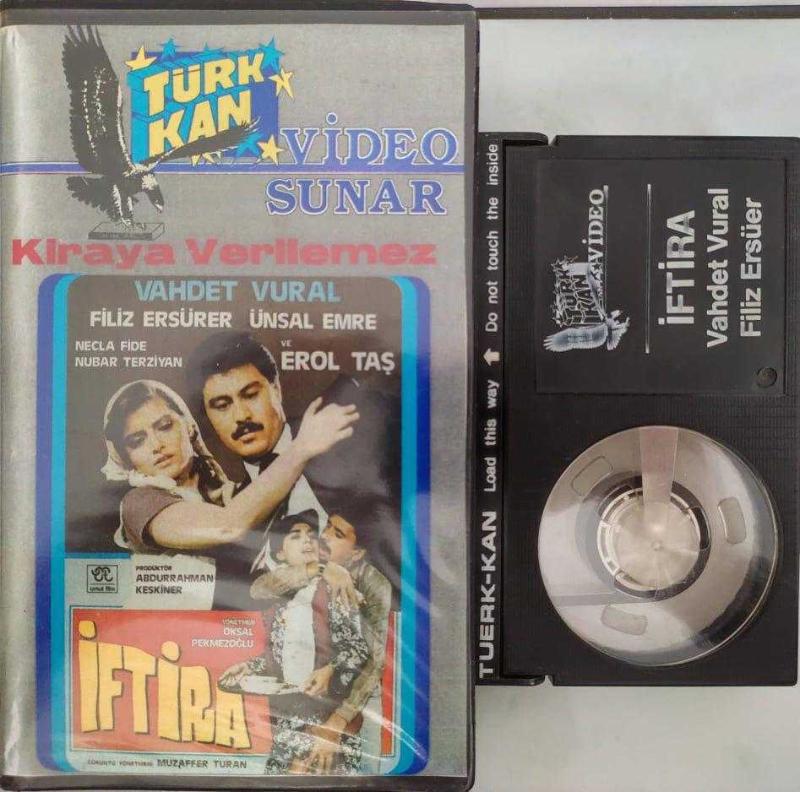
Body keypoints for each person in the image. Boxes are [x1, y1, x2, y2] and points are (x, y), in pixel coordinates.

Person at [102, 379, 358, 609]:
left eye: (165, 426)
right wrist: (301, 448)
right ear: (127, 458)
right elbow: (226, 526)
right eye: (137, 441)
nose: (156, 445)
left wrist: (321, 568)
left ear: (188, 426)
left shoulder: (231, 495)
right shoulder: (140, 502)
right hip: (165, 639)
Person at [219, 511, 370, 775]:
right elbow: (280, 653)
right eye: (295, 536)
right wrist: (249, 666)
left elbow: (359, 651)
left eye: (311, 535)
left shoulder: (336, 588)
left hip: (327, 720)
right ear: (280, 554)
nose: (307, 540)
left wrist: (331, 669)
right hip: (286, 721)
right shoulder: (278, 600)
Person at [249, 501, 393, 773]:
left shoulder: (373, 586)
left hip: (355, 697)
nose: (323, 536)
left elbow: (371, 661)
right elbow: (259, 590)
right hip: (303, 698)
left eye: (336, 534)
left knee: (354, 771)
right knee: (287, 769)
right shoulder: (313, 570)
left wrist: (338, 721)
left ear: (357, 552)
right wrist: (322, 568)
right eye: (327, 527)